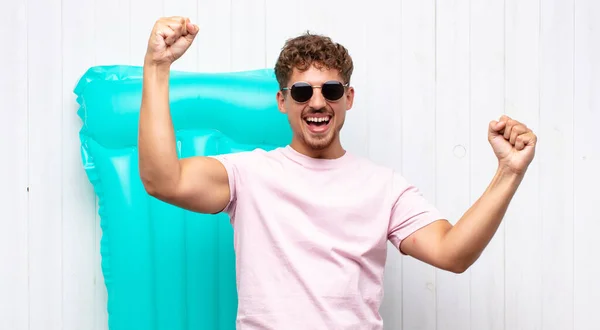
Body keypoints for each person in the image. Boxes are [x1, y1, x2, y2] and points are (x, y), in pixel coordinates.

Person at [138, 16, 538, 329]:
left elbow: (453, 253)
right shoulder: (248, 173)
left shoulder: (384, 187)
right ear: (282, 101)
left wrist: (508, 172)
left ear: (348, 98)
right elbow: (162, 179)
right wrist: (157, 66)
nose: (317, 102)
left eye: (330, 90)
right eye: (301, 92)